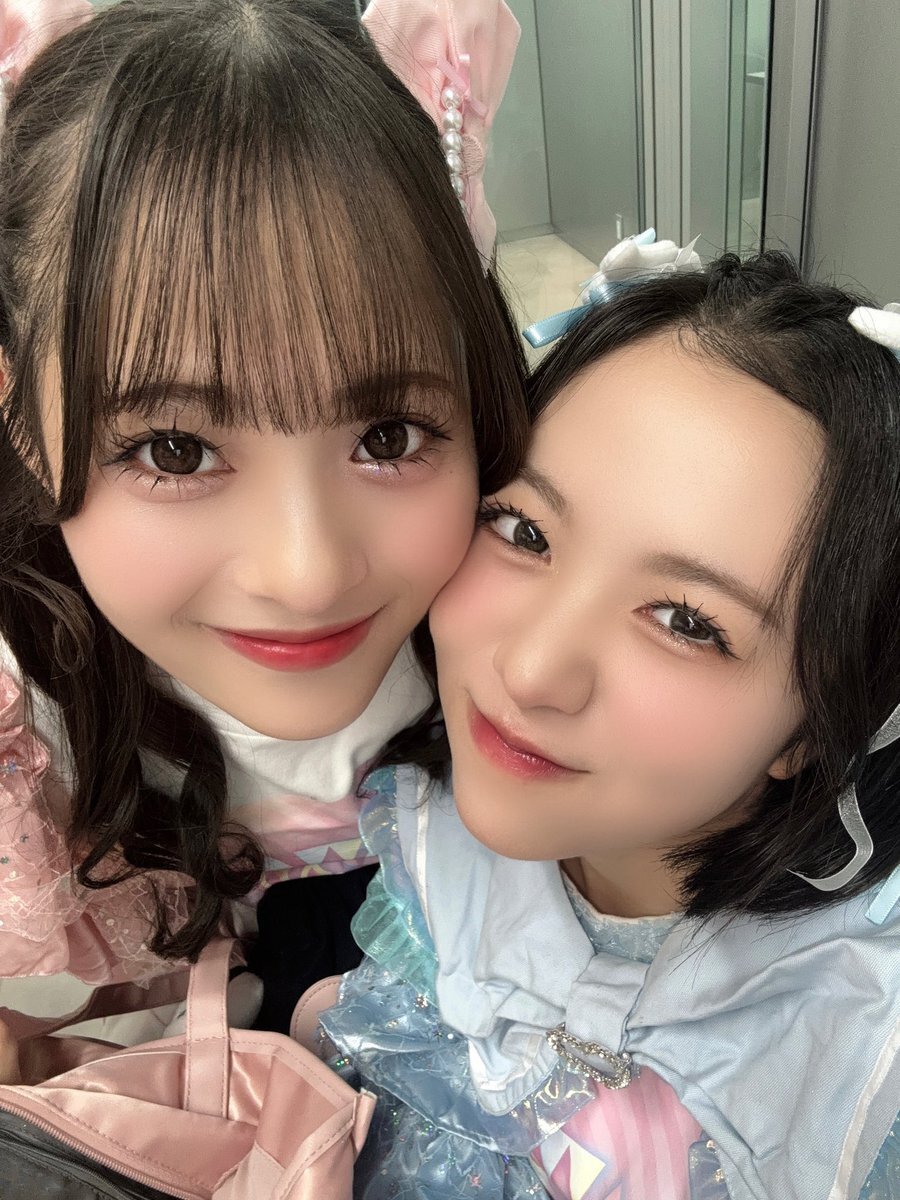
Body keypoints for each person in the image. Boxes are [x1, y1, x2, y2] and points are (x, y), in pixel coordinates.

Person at [322, 243, 900, 1199]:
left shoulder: (861, 1053)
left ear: (821, 725)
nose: (531, 670)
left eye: (687, 622)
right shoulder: (435, 842)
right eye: (525, 531)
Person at [0, 0, 526, 1047]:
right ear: (19, 415)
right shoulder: (31, 713)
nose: (307, 572)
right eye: (175, 451)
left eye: (387, 436)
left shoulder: (538, 601)